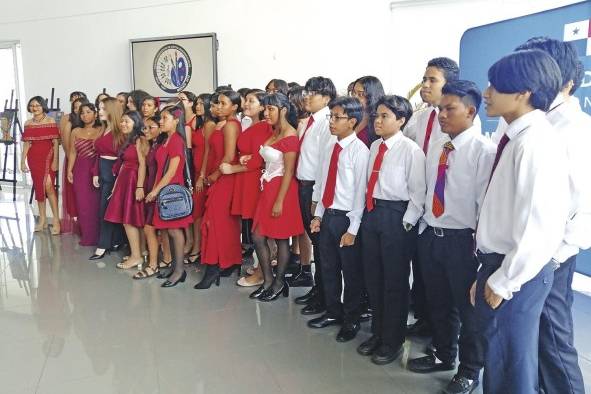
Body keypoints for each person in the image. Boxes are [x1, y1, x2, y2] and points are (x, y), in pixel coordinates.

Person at [471, 49, 569, 394]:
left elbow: (540, 228)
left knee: (511, 364)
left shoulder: (535, 143)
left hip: (517, 272)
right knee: (499, 360)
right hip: (500, 265)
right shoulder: (516, 137)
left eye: (496, 86)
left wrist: (504, 280)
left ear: (523, 93)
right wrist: (487, 271)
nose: (486, 93)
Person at [407, 80, 494, 394]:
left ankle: (470, 370)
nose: (441, 115)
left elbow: (485, 205)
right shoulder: (438, 146)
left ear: (470, 111)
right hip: (432, 235)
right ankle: (443, 354)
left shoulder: (483, 151)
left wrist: (480, 252)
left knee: (466, 310)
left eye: (449, 109)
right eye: (440, 109)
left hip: (462, 241)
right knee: (438, 304)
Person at [516, 37, 589, 394]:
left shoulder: (576, 129)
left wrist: (554, 256)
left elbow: (584, 207)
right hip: (526, 250)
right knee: (534, 341)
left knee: (553, 342)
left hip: (551, 256)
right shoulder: (538, 120)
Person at [358, 95, 425, 365]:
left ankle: (393, 340)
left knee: (394, 283)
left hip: (397, 217)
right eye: (377, 116)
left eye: (385, 116)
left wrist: (405, 224)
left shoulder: (411, 151)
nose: (378, 121)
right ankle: (377, 332)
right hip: (372, 213)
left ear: (401, 120)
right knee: (373, 278)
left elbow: (418, 194)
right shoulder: (375, 146)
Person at [403, 57, 459, 338]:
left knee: (444, 282)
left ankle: (445, 334)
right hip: (419, 200)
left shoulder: (455, 121)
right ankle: (424, 319)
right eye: (423, 79)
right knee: (421, 268)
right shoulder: (422, 116)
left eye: (432, 80)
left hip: (444, 206)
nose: (424, 85)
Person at [308, 96, 369, 343]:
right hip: (328, 216)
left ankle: (351, 317)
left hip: (347, 219)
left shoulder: (359, 151)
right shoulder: (330, 147)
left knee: (351, 272)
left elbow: (360, 193)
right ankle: (333, 311)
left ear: (352, 121)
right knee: (328, 267)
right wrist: (317, 216)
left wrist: (353, 228)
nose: (331, 122)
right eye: (330, 116)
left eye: (337, 117)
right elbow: (323, 184)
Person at [249, 92, 304, 301]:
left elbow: (289, 171)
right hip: (268, 188)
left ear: (283, 110)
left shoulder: (290, 135)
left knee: (281, 238)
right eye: (265, 108)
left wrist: (280, 200)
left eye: (270, 109)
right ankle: (268, 280)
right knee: (258, 236)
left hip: (283, 190)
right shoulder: (274, 131)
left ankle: (279, 282)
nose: (266, 112)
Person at [220, 89, 272, 287]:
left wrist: (232, 167)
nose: (247, 104)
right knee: (254, 227)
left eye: (252, 101)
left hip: (254, 181)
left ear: (262, 106)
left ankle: (261, 273)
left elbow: (259, 160)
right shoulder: (253, 125)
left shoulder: (265, 128)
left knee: (260, 229)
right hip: (246, 179)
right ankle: (260, 267)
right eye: (246, 100)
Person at [294, 76, 336, 316]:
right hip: (304, 186)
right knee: (314, 241)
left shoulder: (326, 123)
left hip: (314, 190)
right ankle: (317, 290)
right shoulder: (310, 121)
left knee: (321, 247)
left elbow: (324, 163)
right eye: (306, 91)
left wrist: (316, 198)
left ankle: (325, 297)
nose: (307, 95)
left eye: (313, 92)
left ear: (327, 98)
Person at [194, 90, 242, 289]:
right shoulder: (220, 124)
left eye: (223, 103)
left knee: (213, 222)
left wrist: (213, 177)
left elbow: (229, 156)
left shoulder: (231, 125)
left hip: (225, 178)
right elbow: (209, 151)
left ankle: (213, 268)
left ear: (234, 107)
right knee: (222, 223)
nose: (219, 107)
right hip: (217, 176)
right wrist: (205, 174)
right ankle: (230, 263)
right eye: (217, 103)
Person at [145, 104, 193, 287]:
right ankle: (174, 266)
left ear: (176, 120)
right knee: (169, 230)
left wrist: (155, 190)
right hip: (165, 190)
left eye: (165, 118)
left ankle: (180, 271)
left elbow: (172, 171)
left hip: (171, 191)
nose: (161, 121)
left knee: (174, 230)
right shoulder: (167, 139)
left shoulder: (176, 141)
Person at [104, 111, 146, 270]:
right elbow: (122, 165)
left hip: (133, 181)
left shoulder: (139, 140)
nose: (123, 124)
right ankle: (138, 252)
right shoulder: (128, 140)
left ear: (135, 123)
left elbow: (142, 165)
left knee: (129, 220)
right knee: (128, 220)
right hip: (124, 180)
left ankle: (136, 256)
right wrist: (116, 187)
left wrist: (140, 186)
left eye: (127, 121)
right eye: (122, 121)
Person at [90, 97, 125, 260]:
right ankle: (117, 241)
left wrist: (114, 175)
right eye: (99, 108)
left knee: (105, 210)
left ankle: (103, 246)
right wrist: (96, 172)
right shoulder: (102, 129)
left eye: (103, 109)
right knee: (106, 209)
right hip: (103, 172)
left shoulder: (120, 132)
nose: (100, 111)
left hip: (113, 174)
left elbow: (123, 157)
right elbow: (98, 154)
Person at [21, 96, 62, 234]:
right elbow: (27, 143)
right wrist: (22, 161)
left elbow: (55, 143)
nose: (35, 108)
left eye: (37, 105)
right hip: (33, 158)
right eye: (32, 105)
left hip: (48, 157)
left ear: (43, 106)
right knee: (39, 187)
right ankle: (43, 219)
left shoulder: (51, 121)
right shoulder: (27, 123)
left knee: (49, 187)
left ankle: (56, 219)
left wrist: (56, 160)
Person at [286, 85, 313, 288]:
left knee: (306, 229)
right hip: (299, 178)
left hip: (307, 182)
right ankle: (301, 265)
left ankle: (305, 268)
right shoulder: (302, 123)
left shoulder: (309, 124)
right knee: (300, 226)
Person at [134, 115, 165, 279]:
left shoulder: (162, 146)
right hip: (150, 188)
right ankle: (159, 262)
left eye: (150, 127)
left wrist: (155, 191)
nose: (146, 130)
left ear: (160, 128)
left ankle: (153, 265)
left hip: (158, 190)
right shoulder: (152, 145)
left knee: (150, 227)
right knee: (151, 227)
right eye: (144, 127)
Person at [186, 93, 216, 265]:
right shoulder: (200, 124)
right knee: (196, 212)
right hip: (197, 172)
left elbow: (207, 151)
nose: (197, 106)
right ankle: (197, 246)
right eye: (196, 103)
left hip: (204, 175)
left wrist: (202, 175)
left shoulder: (210, 124)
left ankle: (198, 247)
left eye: (200, 104)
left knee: (198, 213)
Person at [67, 103, 102, 246]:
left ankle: (100, 236)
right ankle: (87, 235)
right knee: (83, 203)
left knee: (97, 203)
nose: (85, 115)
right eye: (82, 113)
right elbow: (73, 152)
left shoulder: (102, 129)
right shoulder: (75, 131)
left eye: (88, 112)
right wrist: (69, 170)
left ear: (95, 113)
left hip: (97, 168)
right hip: (80, 169)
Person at [60, 96, 89, 233]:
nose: (79, 110)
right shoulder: (70, 125)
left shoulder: (93, 126)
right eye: (75, 107)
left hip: (89, 164)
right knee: (75, 195)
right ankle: (80, 224)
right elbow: (68, 149)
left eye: (81, 107)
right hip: (74, 163)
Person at [350, 76, 385, 146]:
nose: (355, 97)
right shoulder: (348, 117)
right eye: (353, 93)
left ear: (372, 96)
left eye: (361, 94)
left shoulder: (379, 122)